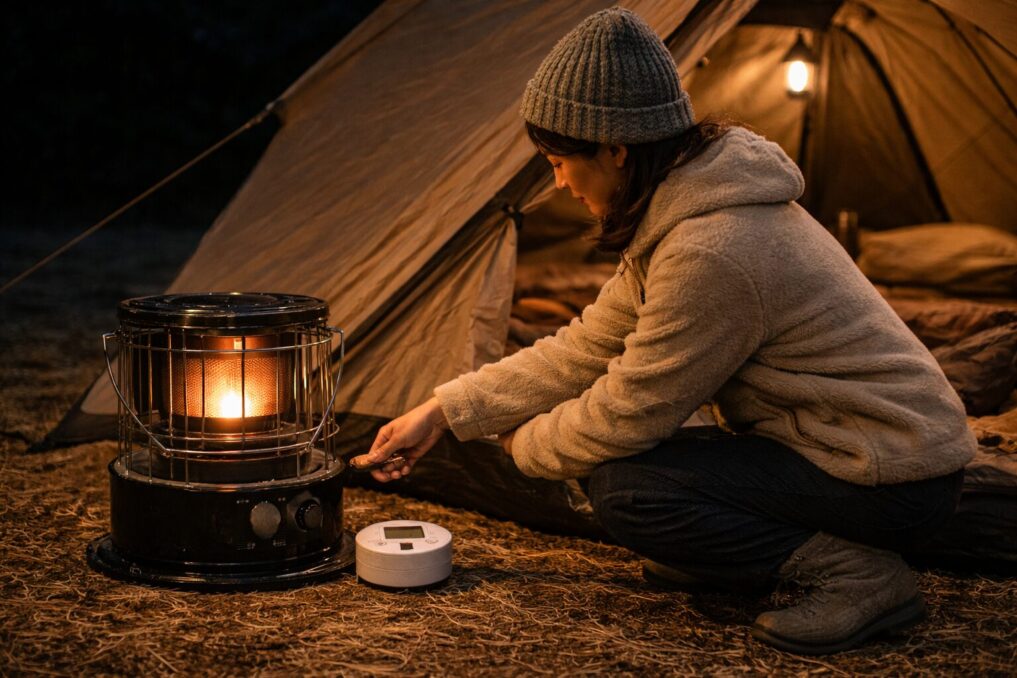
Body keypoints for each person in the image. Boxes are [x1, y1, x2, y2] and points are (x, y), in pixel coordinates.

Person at [353, 7, 975, 655]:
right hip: (833, 447)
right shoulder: (683, 216)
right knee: (636, 466)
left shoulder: (713, 249)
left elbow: (629, 412)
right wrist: (444, 411)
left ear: (615, 150)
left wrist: (522, 446)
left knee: (629, 490)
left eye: (558, 161)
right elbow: (584, 346)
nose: (557, 182)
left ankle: (859, 577)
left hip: (889, 474)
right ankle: (727, 552)